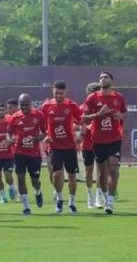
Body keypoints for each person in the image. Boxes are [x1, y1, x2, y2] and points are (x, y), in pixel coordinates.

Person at [83, 71, 127, 214]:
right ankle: (103, 195)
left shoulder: (119, 98)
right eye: (101, 77)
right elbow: (85, 119)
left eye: (105, 77)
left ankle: (110, 201)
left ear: (111, 80)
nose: (102, 79)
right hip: (98, 139)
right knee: (102, 173)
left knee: (113, 169)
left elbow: (125, 113)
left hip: (114, 138)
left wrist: (120, 115)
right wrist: (98, 114)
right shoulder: (92, 98)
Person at [41, 81, 83, 214]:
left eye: (61, 93)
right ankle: (59, 198)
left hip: (70, 146)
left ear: (66, 92)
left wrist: (81, 135)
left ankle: (72, 201)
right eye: (56, 92)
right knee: (57, 174)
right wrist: (45, 136)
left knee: (72, 176)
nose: (59, 95)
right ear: (52, 91)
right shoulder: (47, 106)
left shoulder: (72, 105)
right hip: (54, 146)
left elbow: (82, 122)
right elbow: (41, 125)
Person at [9, 93, 47, 215]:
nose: (24, 107)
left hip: (34, 153)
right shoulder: (14, 117)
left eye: (27, 104)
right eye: (22, 105)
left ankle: (38, 192)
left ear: (31, 104)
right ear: (19, 105)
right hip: (19, 152)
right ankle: (26, 206)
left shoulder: (39, 115)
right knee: (20, 178)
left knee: (35, 180)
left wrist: (39, 137)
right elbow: (9, 134)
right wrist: (10, 140)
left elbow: (45, 133)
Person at [80, 82, 102, 209]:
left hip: (101, 143)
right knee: (89, 170)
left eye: (97, 91)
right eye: (92, 91)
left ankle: (99, 197)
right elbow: (77, 122)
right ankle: (89, 195)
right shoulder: (82, 108)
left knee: (101, 170)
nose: (94, 94)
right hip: (87, 144)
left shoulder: (103, 107)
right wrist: (83, 130)